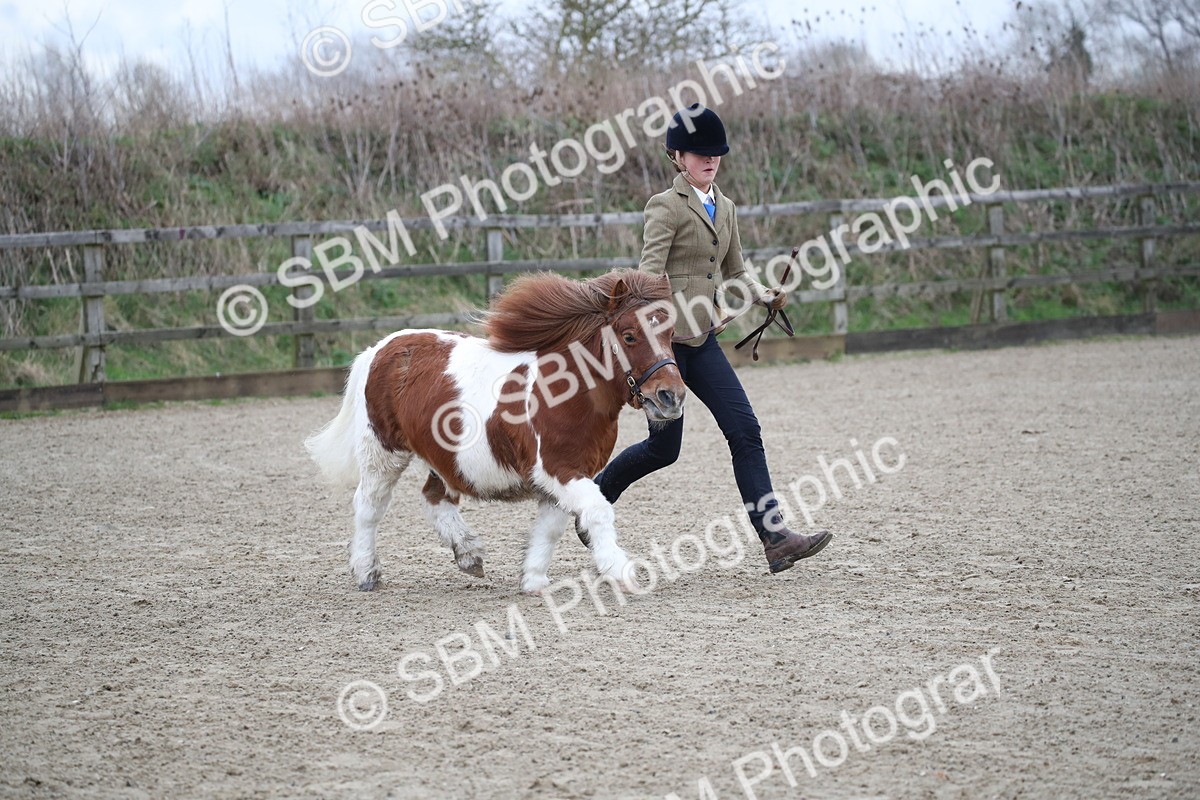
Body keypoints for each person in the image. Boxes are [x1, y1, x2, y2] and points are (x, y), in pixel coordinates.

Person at [594, 104, 833, 573]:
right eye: (700, 153)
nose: (710, 160)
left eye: (715, 153)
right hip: (666, 350)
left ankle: (775, 537)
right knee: (665, 450)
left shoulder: (726, 208)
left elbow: (735, 271)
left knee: (745, 430)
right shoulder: (664, 206)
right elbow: (648, 277)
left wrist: (766, 295)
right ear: (678, 156)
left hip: (702, 343)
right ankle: (596, 499)